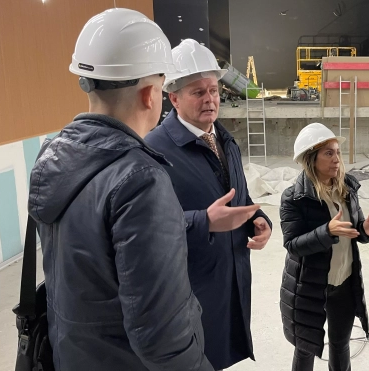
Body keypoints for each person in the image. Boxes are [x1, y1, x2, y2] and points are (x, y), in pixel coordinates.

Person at [26, 8, 260, 371]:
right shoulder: (139, 175)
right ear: (154, 95)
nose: (210, 99)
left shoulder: (54, 156)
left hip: (76, 354)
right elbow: (162, 334)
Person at [145, 39, 272, 370]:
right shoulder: (154, 152)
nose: (210, 99)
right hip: (188, 291)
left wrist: (258, 218)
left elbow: (238, 198)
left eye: (214, 90)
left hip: (229, 280)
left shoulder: (224, 140)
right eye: (198, 92)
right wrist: (204, 221)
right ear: (173, 98)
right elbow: (146, 230)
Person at [279, 123, 369, 371]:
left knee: (340, 344)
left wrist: (364, 232)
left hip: (344, 282)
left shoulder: (347, 188)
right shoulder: (294, 197)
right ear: (310, 158)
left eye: (337, 152)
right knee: (306, 348)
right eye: (328, 153)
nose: (337, 159)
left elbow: (354, 228)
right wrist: (326, 232)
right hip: (310, 286)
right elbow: (292, 245)